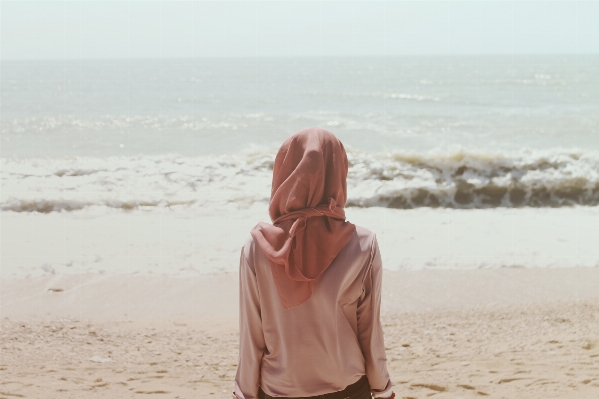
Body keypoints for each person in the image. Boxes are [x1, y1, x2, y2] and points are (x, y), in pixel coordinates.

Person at [233, 128, 394, 399]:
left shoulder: (257, 246)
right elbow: (370, 330)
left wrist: (244, 393)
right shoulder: (363, 244)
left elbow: (251, 333)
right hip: (348, 388)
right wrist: (382, 388)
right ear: (339, 172)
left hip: (278, 390)